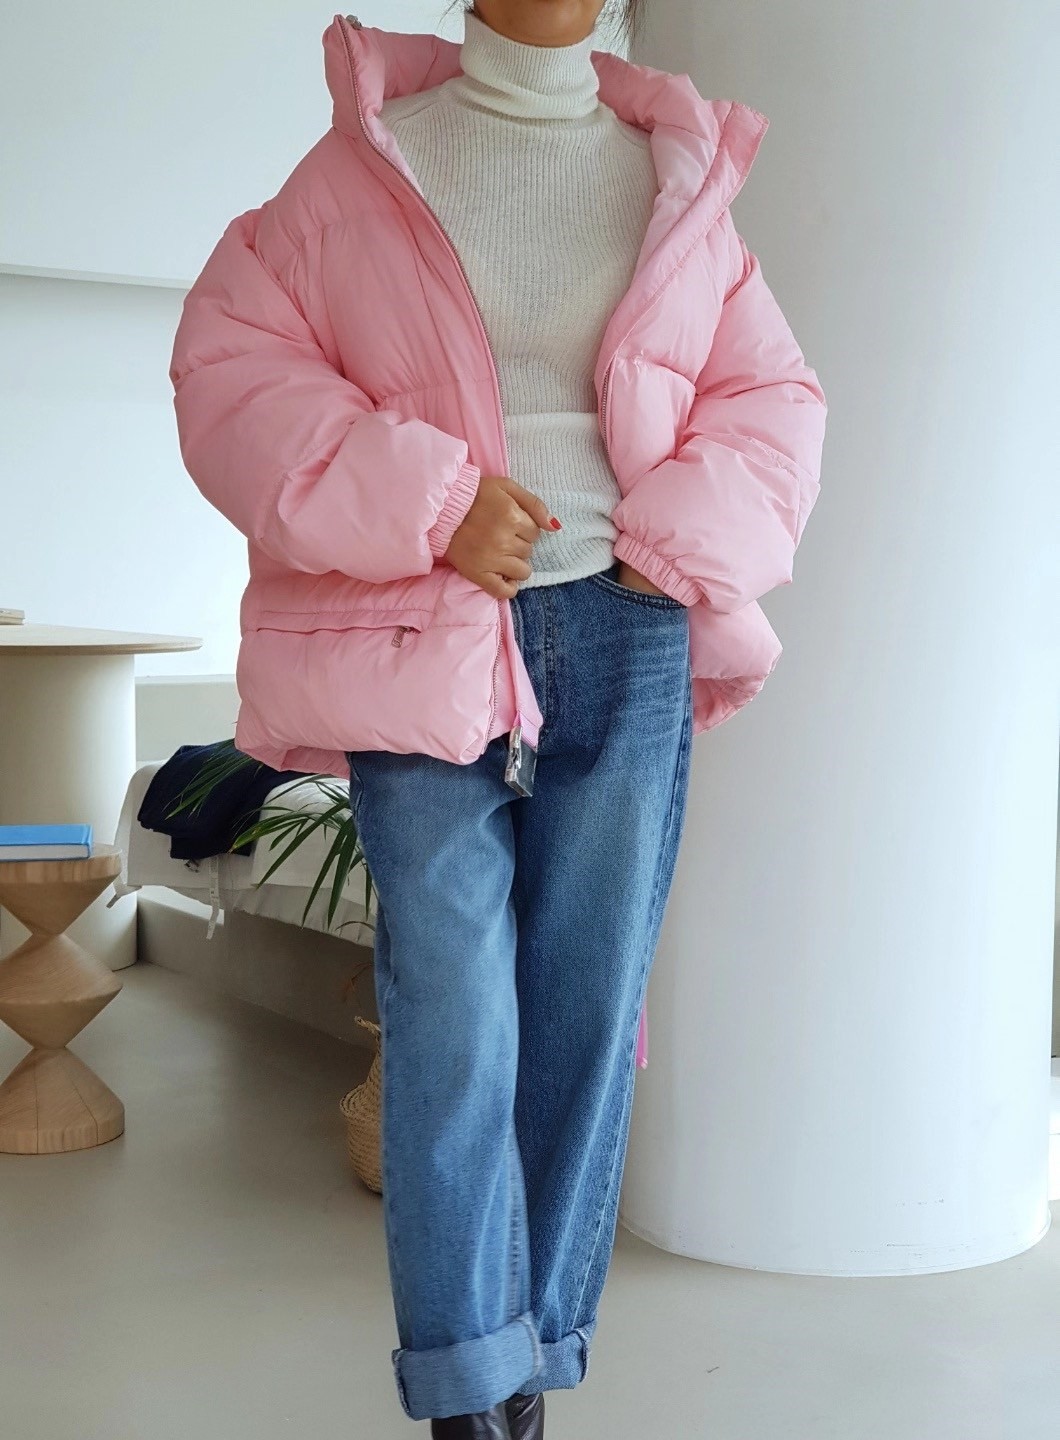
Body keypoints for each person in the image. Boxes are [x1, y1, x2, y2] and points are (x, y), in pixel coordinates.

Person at [169, 2, 828, 1434]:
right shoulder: (364, 166)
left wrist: (671, 542)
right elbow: (230, 370)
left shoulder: (675, 176)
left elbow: (772, 398)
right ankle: (472, 1390)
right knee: (455, 1013)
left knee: (586, 1007)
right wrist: (436, 502)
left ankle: (527, 1370)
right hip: (423, 623)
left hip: (627, 627)